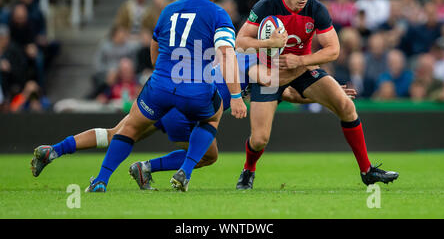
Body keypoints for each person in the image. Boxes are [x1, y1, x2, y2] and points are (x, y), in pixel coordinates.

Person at [31, 50, 357, 190]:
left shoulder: (241, 57)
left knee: (119, 132)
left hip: (168, 92)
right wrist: (322, 95)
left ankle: (55, 150)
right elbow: (279, 88)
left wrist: (325, 95)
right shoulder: (258, 67)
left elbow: (286, 93)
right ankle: (155, 170)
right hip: (195, 108)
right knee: (209, 154)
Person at [235, 0, 399, 190]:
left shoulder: (316, 9)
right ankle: (248, 170)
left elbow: (333, 49)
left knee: (346, 106)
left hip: (302, 70)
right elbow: (240, 42)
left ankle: (367, 170)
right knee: (259, 139)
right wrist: (268, 43)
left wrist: (300, 61)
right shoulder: (267, 5)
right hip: (267, 75)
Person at [84, 0, 247, 192]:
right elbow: (227, 54)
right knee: (212, 117)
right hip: (195, 88)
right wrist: (236, 96)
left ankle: (101, 180)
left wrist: (158, 68)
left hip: (160, 84)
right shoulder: (218, 13)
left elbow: (154, 44)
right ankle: (185, 172)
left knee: (130, 127)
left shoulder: (168, 10)